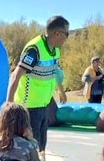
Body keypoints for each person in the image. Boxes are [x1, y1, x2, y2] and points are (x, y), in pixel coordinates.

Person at [7, 15, 70, 153]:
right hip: (29, 107)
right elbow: (15, 75)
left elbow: (53, 72)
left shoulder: (56, 50)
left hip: (44, 105)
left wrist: (61, 91)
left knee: (41, 147)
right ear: (57, 33)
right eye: (67, 34)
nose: (67, 38)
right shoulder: (34, 49)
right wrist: (9, 107)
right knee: (30, 149)